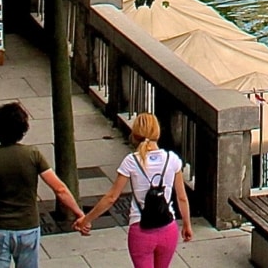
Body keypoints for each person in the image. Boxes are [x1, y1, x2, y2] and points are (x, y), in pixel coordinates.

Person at [0, 102, 87, 268]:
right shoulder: (33, 155)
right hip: (27, 227)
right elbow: (59, 189)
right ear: (22, 129)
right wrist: (79, 214)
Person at [75, 112, 192, 266]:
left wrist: (86, 220)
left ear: (135, 134)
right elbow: (182, 197)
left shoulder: (131, 162)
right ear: (158, 132)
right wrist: (187, 225)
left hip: (140, 230)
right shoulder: (172, 159)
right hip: (167, 228)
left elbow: (111, 197)